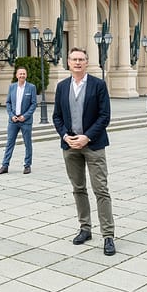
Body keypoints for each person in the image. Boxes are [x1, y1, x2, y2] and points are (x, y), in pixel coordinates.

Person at [52, 47, 115, 256]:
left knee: (101, 190)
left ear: (87, 62)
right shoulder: (62, 87)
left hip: (93, 145)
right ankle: (85, 228)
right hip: (70, 146)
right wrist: (65, 135)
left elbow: (104, 116)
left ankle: (108, 235)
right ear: (68, 62)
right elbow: (57, 116)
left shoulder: (98, 85)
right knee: (78, 188)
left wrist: (87, 137)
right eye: (74, 59)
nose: (78, 62)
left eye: (81, 59)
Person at [0, 66, 37, 175]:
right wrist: (11, 115)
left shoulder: (31, 87)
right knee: (9, 143)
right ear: (16, 75)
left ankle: (27, 165)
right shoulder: (12, 87)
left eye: (24, 73)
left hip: (25, 121)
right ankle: (5, 165)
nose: (22, 75)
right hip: (13, 121)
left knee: (27, 143)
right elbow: (8, 102)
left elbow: (33, 104)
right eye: (20, 73)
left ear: (26, 75)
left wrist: (25, 116)